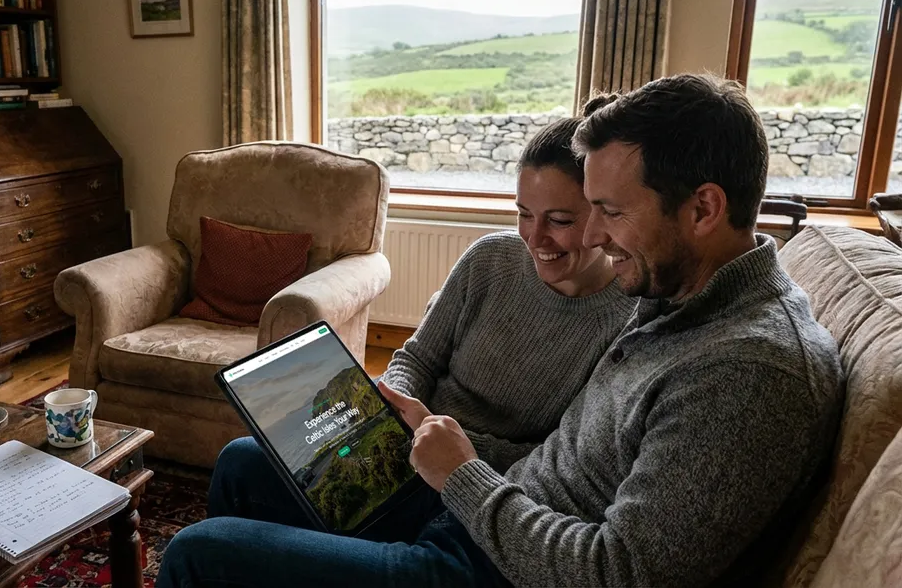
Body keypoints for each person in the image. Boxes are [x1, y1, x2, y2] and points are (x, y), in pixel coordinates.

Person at [157, 74, 845, 588]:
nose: (597, 238)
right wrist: (435, 452)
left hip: (487, 566)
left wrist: (461, 477)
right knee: (247, 463)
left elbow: (615, 574)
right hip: (487, 513)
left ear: (703, 208)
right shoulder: (681, 300)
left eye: (607, 211)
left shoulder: (749, 372)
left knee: (197, 552)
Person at [156, 113, 637, 588]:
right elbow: (416, 357)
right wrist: (389, 406)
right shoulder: (490, 259)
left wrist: (437, 436)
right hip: (406, 457)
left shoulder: (626, 323)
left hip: (484, 489)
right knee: (240, 460)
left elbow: (560, 464)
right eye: (523, 214)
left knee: (199, 545)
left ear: (600, 215)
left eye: (559, 220)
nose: (534, 238)